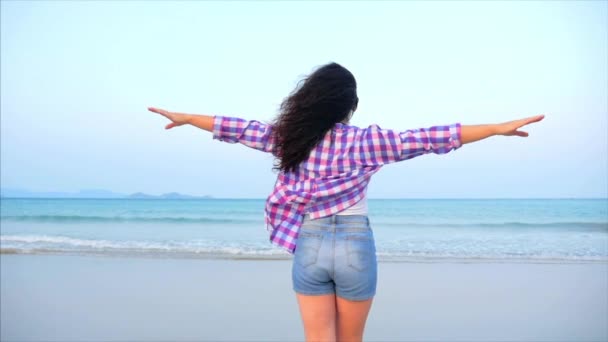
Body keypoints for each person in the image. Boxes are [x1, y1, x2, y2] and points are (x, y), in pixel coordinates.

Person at [148, 62, 544, 342]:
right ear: (348, 105)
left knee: (318, 338)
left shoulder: (288, 137)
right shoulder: (366, 141)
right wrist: (493, 128)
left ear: (307, 100)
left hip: (310, 244)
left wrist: (186, 117)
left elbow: (236, 128)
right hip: (356, 244)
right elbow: (428, 137)